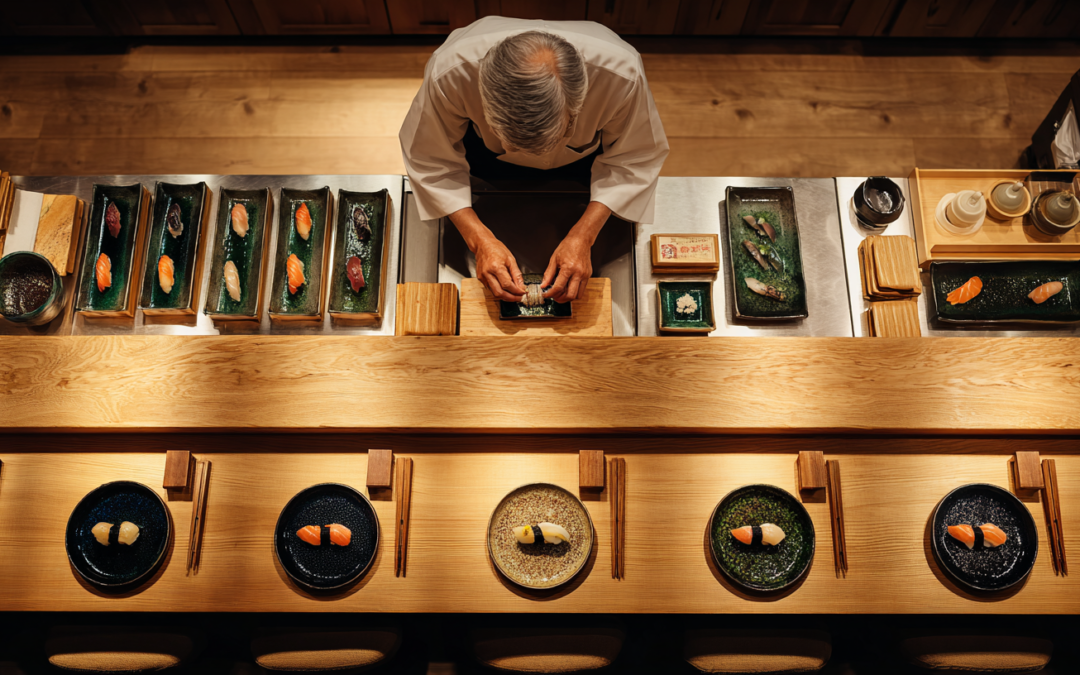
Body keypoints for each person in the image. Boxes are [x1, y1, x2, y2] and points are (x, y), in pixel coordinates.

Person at [399, 16, 669, 303]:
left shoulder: (621, 74)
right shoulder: (452, 71)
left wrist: (583, 236)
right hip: (487, 163)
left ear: (577, 108)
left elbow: (634, 158)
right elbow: (430, 158)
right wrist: (479, 240)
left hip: (582, 166)